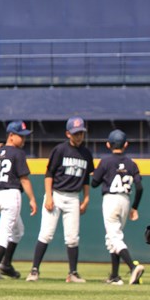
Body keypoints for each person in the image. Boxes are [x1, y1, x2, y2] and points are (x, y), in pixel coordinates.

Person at [26, 116, 95, 283]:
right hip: (56, 194)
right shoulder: (60, 150)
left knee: (72, 237)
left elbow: (86, 179)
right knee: (46, 234)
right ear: (68, 133)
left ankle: (73, 273)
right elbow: (49, 173)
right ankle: (34, 270)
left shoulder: (86, 153)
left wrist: (86, 198)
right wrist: (49, 196)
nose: (79, 136)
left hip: (73, 197)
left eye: (81, 133)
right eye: (75, 133)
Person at [0, 121, 37, 280]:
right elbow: (24, 180)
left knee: (18, 230)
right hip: (11, 194)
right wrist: (32, 199)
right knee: (4, 232)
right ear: (11, 136)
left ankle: (6, 265)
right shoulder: (18, 153)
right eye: (21, 136)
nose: (24, 139)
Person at [92, 130, 145, 286]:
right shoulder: (132, 164)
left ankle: (133, 266)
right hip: (125, 200)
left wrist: (99, 174)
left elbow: (94, 183)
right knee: (112, 237)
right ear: (126, 144)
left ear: (108, 144)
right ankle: (115, 276)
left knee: (115, 237)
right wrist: (135, 207)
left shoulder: (106, 161)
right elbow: (140, 187)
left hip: (111, 199)